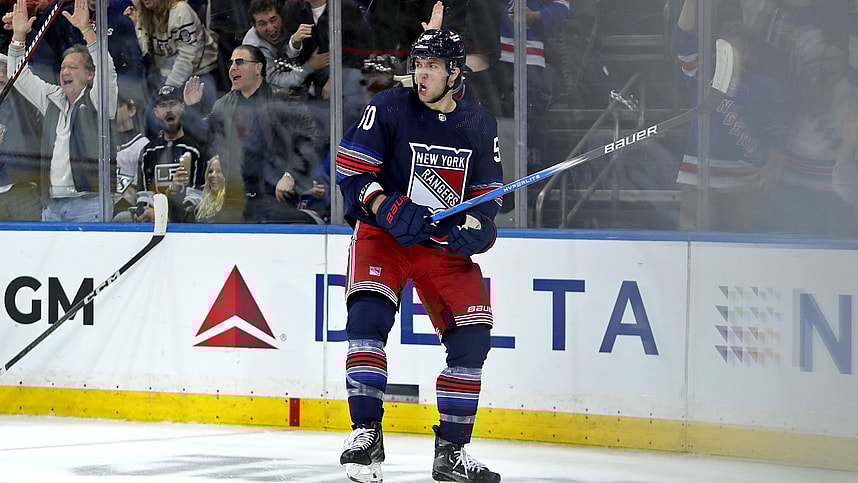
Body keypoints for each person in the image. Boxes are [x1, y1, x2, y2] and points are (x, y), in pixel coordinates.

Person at [335, 29, 503, 483]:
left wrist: (480, 231)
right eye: (418, 63)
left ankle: (451, 453)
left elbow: (487, 199)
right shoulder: (389, 106)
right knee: (367, 321)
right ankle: (366, 434)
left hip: (440, 246)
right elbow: (351, 170)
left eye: (432, 65)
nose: (421, 72)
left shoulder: (479, 124)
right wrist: (386, 206)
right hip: (383, 237)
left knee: (472, 342)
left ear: (454, 72)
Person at [673, 0, 788, 232]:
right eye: (723, 47)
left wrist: (774, 168)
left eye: (736, 48)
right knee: (693, 250)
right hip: (698, 182)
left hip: (744, 185)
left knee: (743, 254)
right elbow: (683, 37)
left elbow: (779, 133)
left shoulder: (764, 86)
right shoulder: (702, 75)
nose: (729, 53)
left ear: (747, 53)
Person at [182, 44, 326, 224]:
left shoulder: (282, 98)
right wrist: (192, 108)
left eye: (240, 62)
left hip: (274, 194)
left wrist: (291, 175)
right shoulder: (224, 104)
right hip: (237, 196)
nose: (233, 67)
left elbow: (314, 138)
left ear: (258, 67)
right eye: (231, 63)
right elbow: (205, 139)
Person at [7, 0, 118, 222]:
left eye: (73, 67)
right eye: (63, 67)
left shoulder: (99, 100)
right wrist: (18, 36)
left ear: (90, 74)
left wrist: (86, 30)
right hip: (52, 204)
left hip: (90, 201)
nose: (65, 71)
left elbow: (107, 70)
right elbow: (18, 76)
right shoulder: (52, 99)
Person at [6, 0, 146, 104]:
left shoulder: (121, 22)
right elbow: (46, 57)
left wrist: (114, 92)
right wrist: (24, 33)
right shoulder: (62, 14)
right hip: (65, 94)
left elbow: (135, 67)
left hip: (104, 97)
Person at [134, 0, 218, 134]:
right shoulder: (145, 15)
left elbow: (187, 58)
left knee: (198, 125)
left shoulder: (180, 11)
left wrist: (167, 89)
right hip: (166, 75)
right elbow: (145, 51)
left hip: (198, 74)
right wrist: (139, 29)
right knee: (150, 120)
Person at [134, 84, 207, 222]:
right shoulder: (148, 151)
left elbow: (197, 197)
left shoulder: (194, 149)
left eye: (173, 104)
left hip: (186, 226)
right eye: (162, 105)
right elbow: (144, 195)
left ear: (182, 107)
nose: (168, 110)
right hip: (154, 223)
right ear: (156, 112)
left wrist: (170, 215)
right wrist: (143, 211)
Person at [242, 0, 329, 91]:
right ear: (254, 26)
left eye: (273, 20)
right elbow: (275, 83)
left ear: (281, 17)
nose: (270, 27)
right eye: (262, 24)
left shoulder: (293, 20)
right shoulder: (253, 49)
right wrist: (310, 66)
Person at [0, 52, 42, 221]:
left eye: (5, 70)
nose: (2, 75)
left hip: (21, 189)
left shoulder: (22, 100)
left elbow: (28, 76)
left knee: (31, 245)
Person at [113, 95, 149, 217]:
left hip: (129, 212)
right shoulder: (103, 144)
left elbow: (139, 189)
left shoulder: (143, 145)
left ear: (132, 110)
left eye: (117, 106)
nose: (112, 111)